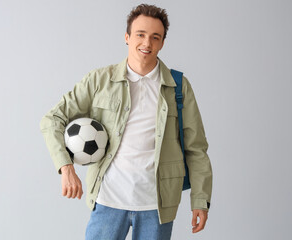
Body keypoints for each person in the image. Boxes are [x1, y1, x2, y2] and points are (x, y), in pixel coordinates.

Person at [40, 4, 212, 240]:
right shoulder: (100, 80)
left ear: (162, 43)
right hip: (108, 200)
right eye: (140, 35)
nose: (147, 43)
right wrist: (65, 167)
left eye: (155, 37)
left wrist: (200, 200)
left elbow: (196, 149)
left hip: (157, 207)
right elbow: (53, 119)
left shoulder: (178, 86)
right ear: (127, 37)